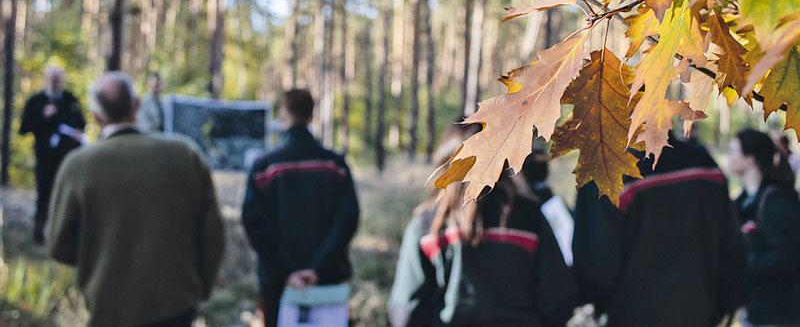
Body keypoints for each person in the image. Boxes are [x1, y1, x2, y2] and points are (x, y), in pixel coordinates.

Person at [47, 71, 225, 327]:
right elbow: (213, 235)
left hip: (108, 309)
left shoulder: (78, 166)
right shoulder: (185, 154)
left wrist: (100, 252)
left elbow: (59, 246)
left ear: (96, 117)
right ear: (137, 104)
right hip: (176, 306)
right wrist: (199, 290)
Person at [388, 124, 577, 327]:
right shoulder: (531, 218)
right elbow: (558, 301)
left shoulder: (427, 225)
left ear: (445, 163)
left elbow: (405, 312)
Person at [572, 133, 745, 327]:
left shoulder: (604, 170)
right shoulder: (704, 164)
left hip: (632, 316)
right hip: (700, 313)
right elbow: (733, 250)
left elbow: (596, 268)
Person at [241, 89, 359, 327]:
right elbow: (347, 219)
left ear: (283, 114)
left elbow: (254, 223)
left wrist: (286, 271)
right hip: (327, 280)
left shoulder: (265, 166)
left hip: (279, 284)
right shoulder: (335, 164)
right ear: (311, 115)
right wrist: (318, 267)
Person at [728, 128, 800, 326]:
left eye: (733, 151)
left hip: (779, 313)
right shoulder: (743, 201)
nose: (729, 157)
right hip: (756, 308)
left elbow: (787, 255)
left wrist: (742, 267)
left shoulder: (776, 200)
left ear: (750, 158)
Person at [19, 65, 86, 244]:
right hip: (45, 159)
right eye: (53, 78)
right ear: (46, 79)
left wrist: (77, 134)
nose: (56, 81)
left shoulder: (69, 99)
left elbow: (82, 123)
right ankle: (39, 235)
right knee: (45, 194)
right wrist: (43, 115)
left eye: (59, 78)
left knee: (69, 194)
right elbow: (24, 128)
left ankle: (67, 235)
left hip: (68, 158)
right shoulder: (37, 101)